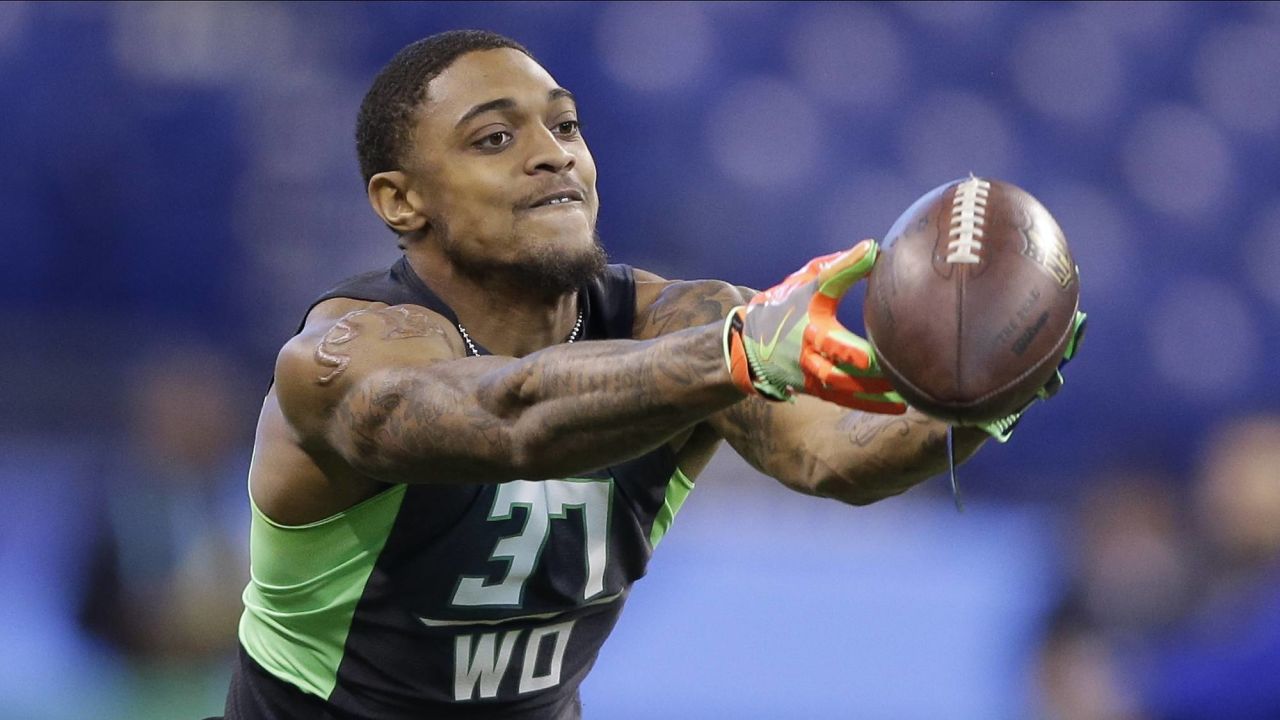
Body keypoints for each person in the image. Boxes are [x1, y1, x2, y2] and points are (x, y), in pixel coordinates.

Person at [222, 29, 1080, 720]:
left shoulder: (685, 320)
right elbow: (509, 421)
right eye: (495, 137)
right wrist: (734, 357)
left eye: (565, 125)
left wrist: (984, 395)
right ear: (399, 201)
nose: (554, 154)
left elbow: (835, 457)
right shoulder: (341, 359)